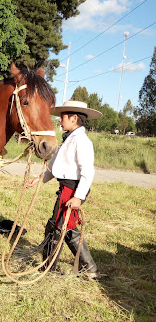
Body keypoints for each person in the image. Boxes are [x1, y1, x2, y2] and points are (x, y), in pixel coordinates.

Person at [27, 100, 102, 278]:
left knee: (57, 227)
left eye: (63, 117)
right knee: (65, 227)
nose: (60, 121)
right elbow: (57, 167)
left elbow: (87, 172)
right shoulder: (69, 138)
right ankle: (89, 269)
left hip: (72, 190)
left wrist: (78, 197)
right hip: (67, 188)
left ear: (74, 118)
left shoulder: (81, 141)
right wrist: (39, 179)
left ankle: (50, 268)